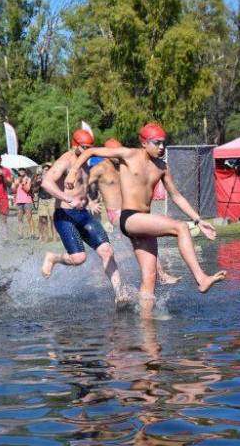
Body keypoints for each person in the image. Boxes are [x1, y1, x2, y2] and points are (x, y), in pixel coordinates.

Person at [66, 123, 226, 308]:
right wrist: (73, 171)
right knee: (180, 227)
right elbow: (90, 151)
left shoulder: (162, 167)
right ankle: (201, 277)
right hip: (130, 218)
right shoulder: (128, 154)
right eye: (156, 143)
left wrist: (199, 220)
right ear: (144, 143)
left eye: (163, 143)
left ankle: (146, 325)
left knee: (150, 279)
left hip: (144, 223)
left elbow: (176, 195)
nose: (161, 147)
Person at [40, 129, 125, 303]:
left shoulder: (85, 161)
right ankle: (53, 257)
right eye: (84, 147)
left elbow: (83, 187)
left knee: (107, 250)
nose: (87, 151)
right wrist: (67, 198)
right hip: (65, 214)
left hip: (83, 213)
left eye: (89, 148)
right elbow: (46, 183)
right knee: (79, 258)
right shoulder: (65, 160)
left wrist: (90, 201)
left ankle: (120, 293)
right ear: (74, 145)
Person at [88, 138, 179, 285]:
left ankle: (148, 275)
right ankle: (160, 275)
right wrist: (89, 201)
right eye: (114, 153)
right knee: (145, 235)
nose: (118, 156)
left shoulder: (126, 165)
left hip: (131, 212)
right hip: (116, 214)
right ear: (107, 154)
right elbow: (81, 183)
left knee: (144, 241)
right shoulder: (100, 168)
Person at [12, 168, 35, 239]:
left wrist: (22, 183)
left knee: (29, 218)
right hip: (18, 201)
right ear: (18, 171)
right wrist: (15, 184)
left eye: (23, 170)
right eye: (20, 170)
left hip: (27, 201)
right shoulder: (16, 179)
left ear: (25, 171)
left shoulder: (28, 179)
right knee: (20, 218)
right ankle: (20, 234)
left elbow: (27, 189)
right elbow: (13, 190)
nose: (21, 171)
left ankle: (32, 234)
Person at [36, 163, 56, 242]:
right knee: (43, 219)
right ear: (42, 171)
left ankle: (54, 237)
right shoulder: (39, 177)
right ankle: (46, 237)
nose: (47, 171)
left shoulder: (53, 177)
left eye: (48, 170)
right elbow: (34, 189)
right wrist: (38, 182)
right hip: (42, 200)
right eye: (45, 170)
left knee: (53, 219)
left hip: (51, 199)